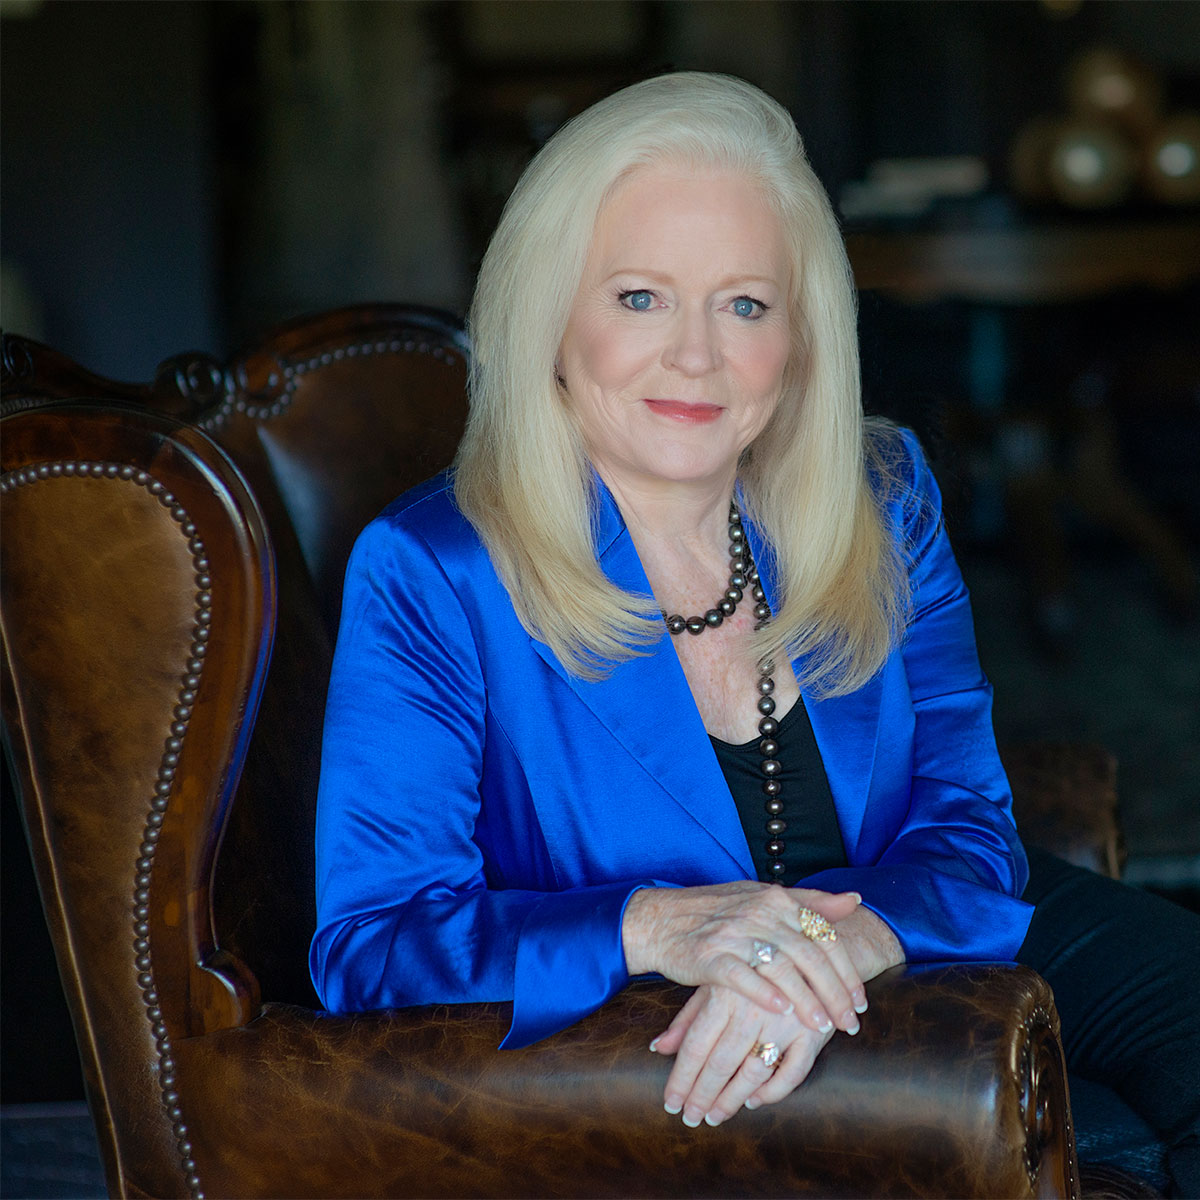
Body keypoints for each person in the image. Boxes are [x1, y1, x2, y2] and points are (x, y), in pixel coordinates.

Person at [310, 73, 1198, 1190]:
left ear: (800, 334)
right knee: (1096, 1145)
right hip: (658, 1025)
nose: (697, 355)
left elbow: (971, 828)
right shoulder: (435, 570)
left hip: (914, 925)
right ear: (550, 318)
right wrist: (657, 928)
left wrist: (840, 940)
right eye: (639, 297)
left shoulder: (882, 499)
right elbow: (373, 945)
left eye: (744, 304)